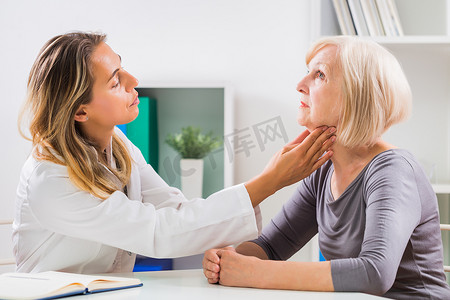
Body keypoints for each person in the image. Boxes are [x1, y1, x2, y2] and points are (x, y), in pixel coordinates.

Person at [13, 32, 336, 274]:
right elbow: (159, 233)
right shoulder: (51, 179)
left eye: (122, 68)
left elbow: (175, 209)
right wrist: (270, 181)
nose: (133, 80)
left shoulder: (118, 145)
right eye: (115, 82)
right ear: (80, 112)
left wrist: (223, 244)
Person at [202, 36, 450, 299]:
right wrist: (227, 260)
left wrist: (255, 272)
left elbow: (375, 273)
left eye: (319, 75)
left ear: (356, 94)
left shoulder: (393, 170)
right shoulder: (324, 172)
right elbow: (272, 246)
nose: (300, 85)